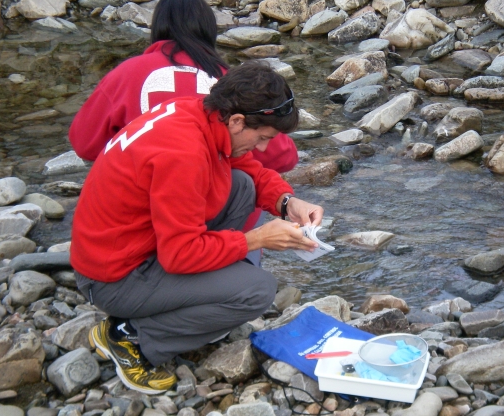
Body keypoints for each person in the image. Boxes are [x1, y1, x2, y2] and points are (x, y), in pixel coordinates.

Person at [71, 61, 323, 395]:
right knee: (258, 291)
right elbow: (179, 255)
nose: (263, 148)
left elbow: (248, 167)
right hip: (113, 278)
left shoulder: (196, 111)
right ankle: (131, 336)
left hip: (132, 249)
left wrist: (287, 202)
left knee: (240, 186)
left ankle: (206, 297)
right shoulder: (183, 154)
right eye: (262, 137)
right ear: (236, 120)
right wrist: (257, 238)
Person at [68, 0, 299, 261]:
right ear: (209, 31)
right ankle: (223, 269)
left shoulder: (125, 73)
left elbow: (84, 143)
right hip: (195, 220)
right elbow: (283, 157)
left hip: (134, 224)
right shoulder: (229, 82)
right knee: (251, 280)